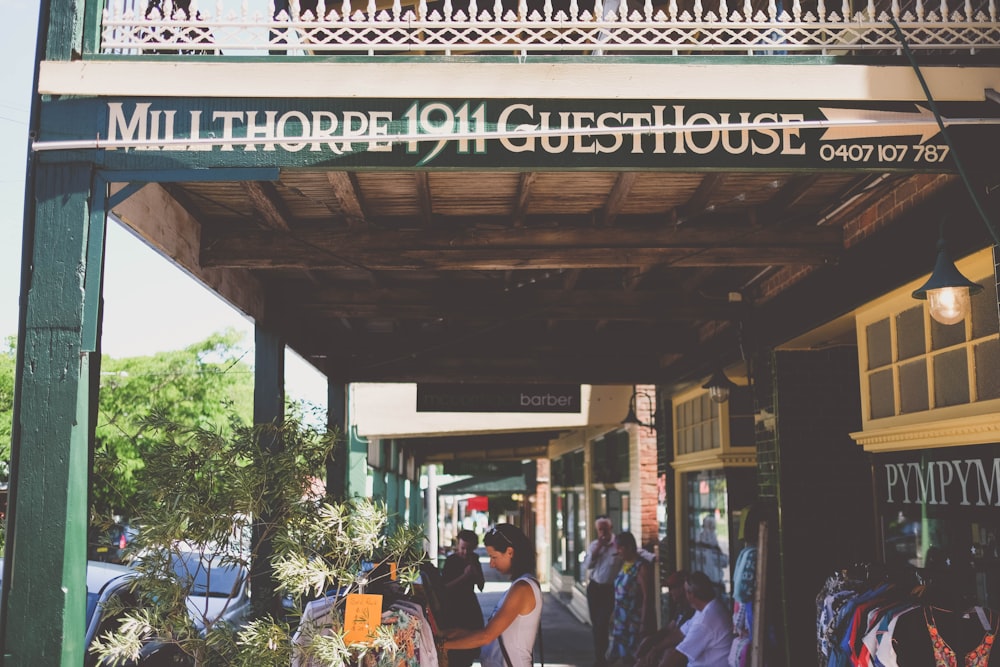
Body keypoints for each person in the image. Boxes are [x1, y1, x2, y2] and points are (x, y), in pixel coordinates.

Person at [441, 524, 542, 667]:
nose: (492, 564)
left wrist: (441, 646)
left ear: (510, 552)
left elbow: (486, 636)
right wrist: (453, 634)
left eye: (493, 557)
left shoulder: (522, 588)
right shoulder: (520, 585)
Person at [658, 572, 733, 667]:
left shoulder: (706, 620)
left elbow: (678, 655)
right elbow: (680, 633)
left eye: (685, 591)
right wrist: (656, 649)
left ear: (691, 594)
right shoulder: (706, 608)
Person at [608, 531, 655, 666]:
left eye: (620, 548)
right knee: (621, 657)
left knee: (633, 657)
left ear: (629, 547)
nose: (618, 551)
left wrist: (643, 623)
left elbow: (647, 597)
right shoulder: (624, 565)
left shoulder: (641, 568)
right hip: (620, 621)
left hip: (633, 621)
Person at [441, 529, 486, 667]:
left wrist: (474, 569)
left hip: (470, 606)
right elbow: (444, 588)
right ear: (457, 545)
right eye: (462, 548)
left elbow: (481, 586)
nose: (465, 552)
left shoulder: (475, 559)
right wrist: (464, 577)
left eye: (469, 549)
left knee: (470, 646)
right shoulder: (451, 560)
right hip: (453, 607)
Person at [584, 515, 622, 666]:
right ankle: (599, 657)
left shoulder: (617, 545)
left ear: (611, 528)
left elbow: (634, 553)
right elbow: (587, 566)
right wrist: (598, 549)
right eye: (600, 530)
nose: (603, 533)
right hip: (594, 588)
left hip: (609, 589)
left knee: (603, 622)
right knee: (596, 623)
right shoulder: (594, 545)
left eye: (605, 529)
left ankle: (603, 656)